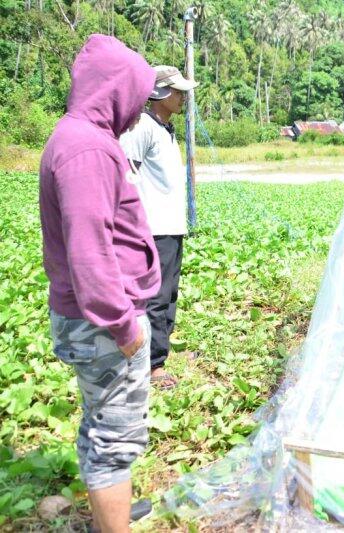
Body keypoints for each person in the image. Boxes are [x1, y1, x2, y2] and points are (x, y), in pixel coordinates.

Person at [39, 34, 160, 531]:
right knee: (115, 438)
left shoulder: (81, 138)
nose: (137, 111)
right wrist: (124, 326)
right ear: (114, 90)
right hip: (105, 324)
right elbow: (90, 252)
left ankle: (111, 506)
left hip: (94, 320)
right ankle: (112, 522)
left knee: (102, 422)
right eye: (135, 96)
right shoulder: (88, 149)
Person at [120, 65, 198, 390]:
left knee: (169, 295)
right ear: (161, 93)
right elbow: (127, 175)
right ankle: (153, 366)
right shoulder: (142, 129)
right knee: (155, 296)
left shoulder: (167, 129)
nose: (183, 97)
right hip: (154, 228)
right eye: (178, 91)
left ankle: (159, 355)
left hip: (172, 227)